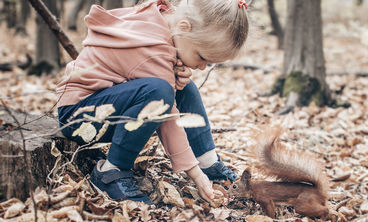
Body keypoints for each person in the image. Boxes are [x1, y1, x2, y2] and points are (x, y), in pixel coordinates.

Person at [56, 0, 249, 205]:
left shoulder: (161, 18)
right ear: (183, 27)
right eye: (202, 57)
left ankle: (207, 161)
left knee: (184, 87)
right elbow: (168, 118)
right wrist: (195, 176)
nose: (202, 67)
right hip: (79, 119)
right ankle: (111, 171)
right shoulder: (154, 52)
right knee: (160, 92)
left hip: (101, 105)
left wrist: (173, 69)